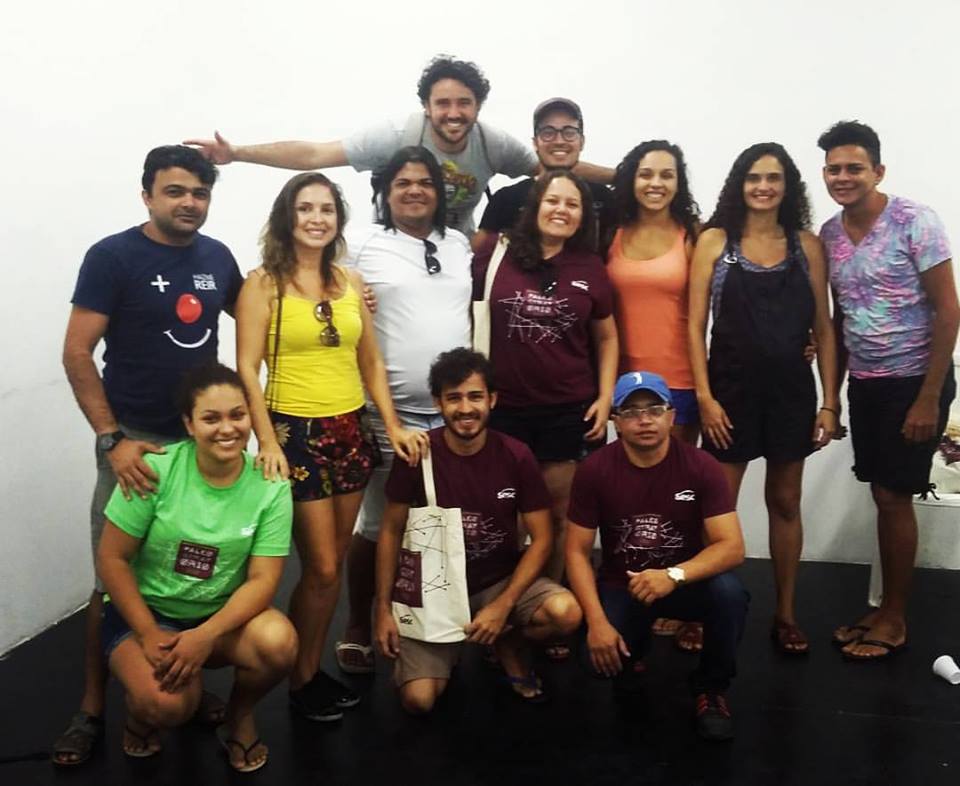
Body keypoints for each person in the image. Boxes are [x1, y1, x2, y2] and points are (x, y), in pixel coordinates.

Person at [56, 145, 243, 766]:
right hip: (133, 445)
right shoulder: (112, 257)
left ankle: (187, 680)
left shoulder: (218, 258)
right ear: (147, 195)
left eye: (199, 193)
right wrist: (112, 440)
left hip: (200, 447)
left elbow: (264, 310)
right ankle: (91, 708)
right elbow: (77, 352)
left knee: (194, 570)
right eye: (175, 191)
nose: (189, 203)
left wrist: (348, 292)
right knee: (110, 578)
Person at [235, 171, 428, 722]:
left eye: (326, 209)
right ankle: (299, 678)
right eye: (305, 208)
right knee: (320, 567)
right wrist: (266, 440)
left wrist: (391, 426)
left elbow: (370, 361)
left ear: (338, 220)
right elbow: (246, 368)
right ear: (287, 217)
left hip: (350, 431)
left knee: (335, 564)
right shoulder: (262, 284)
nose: (316, 218)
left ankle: (309, 671)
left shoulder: (349, 282)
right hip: (296, 434)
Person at [96, 363, 295, 773]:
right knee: (167, 706)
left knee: (279, 644)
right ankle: (140, 717)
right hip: (148, 617)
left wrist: (205, 635)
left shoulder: (271, 485)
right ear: (189, 424)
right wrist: (149, 633)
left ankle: (239, 714)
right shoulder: (155, 470)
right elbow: (112, 559)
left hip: (218, 619)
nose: (227, 428)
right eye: (211, 418)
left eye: (238, 415)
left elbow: (264, 580)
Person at [687, 143, 839, 655]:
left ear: (788, 186)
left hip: (791, 396)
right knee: (717, 508)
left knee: (786, 502)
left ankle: (786, 613)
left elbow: (824, 327)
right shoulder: (715, 242)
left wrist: (830, 401)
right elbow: (694, 326)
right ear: (740, 183)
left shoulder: (806, 246)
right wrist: (705, 397)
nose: (763, 187)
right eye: (754, 177)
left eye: (773, 178)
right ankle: (700, 611)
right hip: (728, 394)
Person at [817, 121, 959, 660]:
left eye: (854, 168)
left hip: (915, 381)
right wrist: (831, 395)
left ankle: (895, 618)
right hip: (867, 382)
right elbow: (839, 319)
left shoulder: (914, 220)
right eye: (834, 169)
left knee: (895, 497)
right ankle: (883, 608)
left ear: (878, 171)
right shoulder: (830, 234)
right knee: (882, 494)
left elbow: (949, 310)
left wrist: (928, 398)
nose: (843, 177)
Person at [374, 348, 582, 712]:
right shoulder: (418, 455)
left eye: (475, 396)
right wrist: (382, 609)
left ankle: (508, 644)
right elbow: (390, 532)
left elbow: (543, 538)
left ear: (492, 400)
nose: (466, 408)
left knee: (565, 613)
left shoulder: (516, 455)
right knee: (419, 702)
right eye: (454, 398)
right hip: (433, 591)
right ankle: (445, 648)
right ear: (438, 403)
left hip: (497, 582)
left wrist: (503, 605)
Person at [336, 146, 474, 675]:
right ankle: (359, 623)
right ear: (385, 192)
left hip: (452, 416)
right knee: (377, 526)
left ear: (440, 192)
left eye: (425, 182)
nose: (415, 190)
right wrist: (352, 291)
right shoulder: (361, 244)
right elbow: (325, 288)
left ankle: (432, 621)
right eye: (403, 182)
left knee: (443, 523)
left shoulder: (458, 244)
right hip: (385, 414)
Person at [565, 371, 748, 740]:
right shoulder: (594, 470)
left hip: (683, 582)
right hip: (624, 585)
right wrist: (597, 623)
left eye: (654, 409)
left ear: (671, 415)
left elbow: (732, 547)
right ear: (616, 421)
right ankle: (632, 657)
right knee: (595, 662)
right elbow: (576, 552)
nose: (644, 420)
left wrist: (673, 575)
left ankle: (711, 689)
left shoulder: (701, 466)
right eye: (631, 412)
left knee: (730, 594)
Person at [185, 56, 549, 236]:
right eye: (443, 104)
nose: (453, 114)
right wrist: (237, 153)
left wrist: (608, 175)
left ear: (478, 106)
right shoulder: (398, 135)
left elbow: (553, 172)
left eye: (464, 104)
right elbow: (315, 154)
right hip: (392, 243)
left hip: (455, 250)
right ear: (426, 106)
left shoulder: (493, 144)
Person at [472, 170, 618, 614]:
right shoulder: (495, 256)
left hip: (566, 411)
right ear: (535, 206)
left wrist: (606, 397)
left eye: (572, 204)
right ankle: (501, 611)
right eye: (553, 201)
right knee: (504, 516)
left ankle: (544, 605)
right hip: (503, 409)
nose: (561, 210)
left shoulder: (590, 266)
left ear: (583, 216)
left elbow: (607, 337)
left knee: (558, 515)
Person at [607, 139, 704, 648]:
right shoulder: (611, 231)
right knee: (633, 497)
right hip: (623, 387)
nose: (656, 183)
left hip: (680, 383)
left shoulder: (694, 235)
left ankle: (691, 605)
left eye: (667, 174)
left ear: (679, 182)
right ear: (630, 178)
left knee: (681, 501)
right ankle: (636, 593)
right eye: (646, 173)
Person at [474, 97, 616, 253]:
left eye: (569, 132)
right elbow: (478, 255)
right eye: (548, 132)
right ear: (535, 142)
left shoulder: (604, 198)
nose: (559, 141)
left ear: (581, 142)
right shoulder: (506, 199)